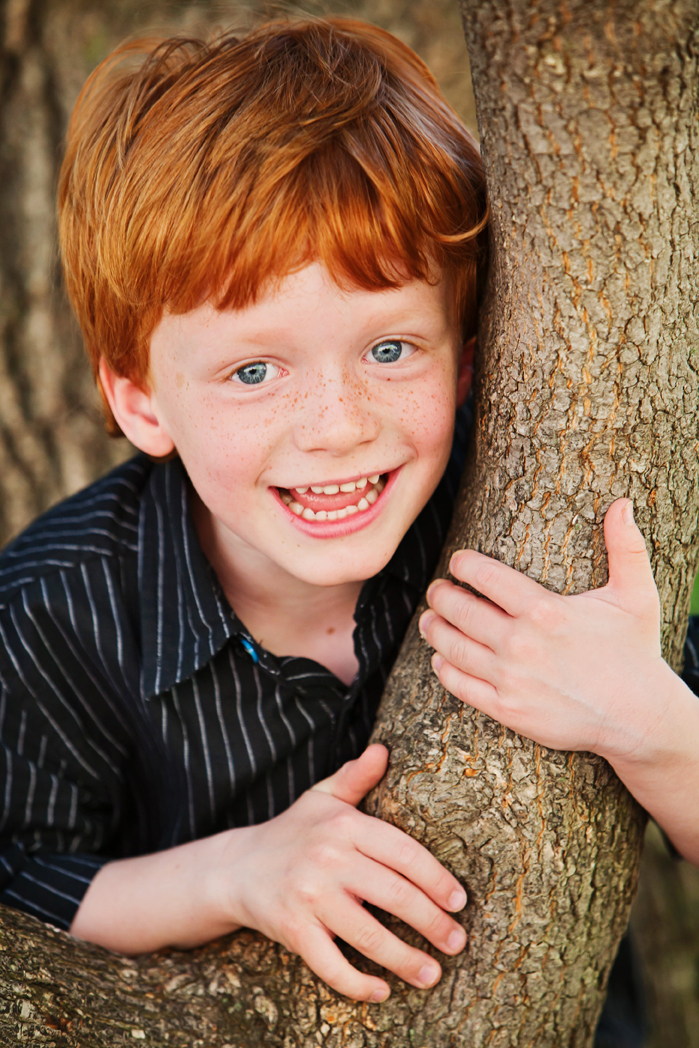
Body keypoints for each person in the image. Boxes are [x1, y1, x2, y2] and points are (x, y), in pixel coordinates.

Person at [0, 17, 696, 1023]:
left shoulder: (527, 527)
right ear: (142, 400)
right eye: (253, 369)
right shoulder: (51, 616)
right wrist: (236, 872)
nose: (337, 426)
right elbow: (22, 886)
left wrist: (654, 724)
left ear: (467, 355)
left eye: (390, 349)